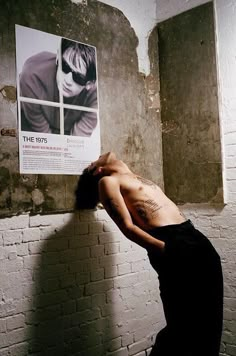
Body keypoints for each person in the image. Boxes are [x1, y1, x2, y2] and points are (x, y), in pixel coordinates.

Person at [76, 152, 223, 356]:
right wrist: (164, 249)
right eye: (97, 158)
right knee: (181, 323)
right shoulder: (108, 182)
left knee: (209, 319)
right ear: (97, 169)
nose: (102, 154)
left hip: (195, 238)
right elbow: (127, 227)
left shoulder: (136, 177)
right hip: (171, 243)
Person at [20, 38, 97, 136]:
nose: (67, 81)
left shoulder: (95, 94)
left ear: (89, 84)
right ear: (57, 58)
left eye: (78, 77)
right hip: (31, 125)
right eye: (64, 66)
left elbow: (79, 139)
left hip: (66, 130)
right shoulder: (31, 75)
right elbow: (42, 135)